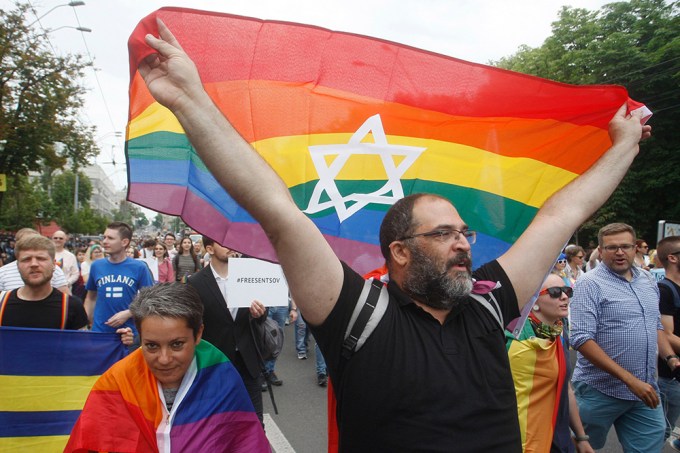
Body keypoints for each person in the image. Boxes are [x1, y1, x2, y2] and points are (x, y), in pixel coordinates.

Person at [139, 21, 651, 450]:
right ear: (400, 251)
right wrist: (189, 100)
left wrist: (624, 146)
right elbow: (276, 209)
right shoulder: (357, 314)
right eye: (445, 233)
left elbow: (561, 215)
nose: (465, 244)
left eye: (465, 232)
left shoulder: (489, 304)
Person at [65, 283, 269, 452]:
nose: (164, 359)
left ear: (198, 334)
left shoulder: (222, 376)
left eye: (177, 344)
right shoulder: (117, 380)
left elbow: (246, 442)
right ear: (140, 337)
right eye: (151, 346)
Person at [570, 223, 678, 452]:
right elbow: (580, 338)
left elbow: (655, 325)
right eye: (612, 247)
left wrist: (670, 358)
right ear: (600, 250)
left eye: (625, 246)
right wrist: (630, 380)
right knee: (579, 448)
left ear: (635, 248)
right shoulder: (590, 284)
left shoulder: (648, 281)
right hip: (598, 390)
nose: (619, 252)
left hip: (644, 392)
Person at [506, 274, 593, 453]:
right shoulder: (513, 339)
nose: (564, 297)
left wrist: (581, 436)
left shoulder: (559, 332)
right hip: (523, 439)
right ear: (534, 300)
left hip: (558, 437)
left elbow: (565, 388)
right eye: (554, 292)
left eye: (566, 291)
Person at [187, 236, 269, 424]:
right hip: (216, 362)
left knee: (255, 423)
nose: (232, 246)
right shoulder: (196, 282)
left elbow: (263, 315)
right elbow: (192, 323)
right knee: (221, 423)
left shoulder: (250, 275)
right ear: (210, 249)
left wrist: (259, 314)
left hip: (248, 360)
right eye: (224, 243)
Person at [0, 234, 87, 330]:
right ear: (17, 265)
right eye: (26, 259)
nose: (34, 264)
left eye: (41, 259)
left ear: (54, 264)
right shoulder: (2, 302)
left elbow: (82, 344)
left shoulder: (72, 306)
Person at [84, 222, 154, 336]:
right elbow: (91, 298)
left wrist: (129, 313)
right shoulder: (96, 266)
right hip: (99, 332)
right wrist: (85, 323)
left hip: (128, 334)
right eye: (104, 237)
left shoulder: (139, 267)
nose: (105, 241)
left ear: (124, 242)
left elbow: (151, 298)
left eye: (110, 238)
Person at [655, 236, 680, 448]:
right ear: (672, 258)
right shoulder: (665, 290)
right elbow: (666, 333)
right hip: (673, 375)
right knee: (661, 431)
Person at [0, 228, 69, 294]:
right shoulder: (3, 272)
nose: (34, 264)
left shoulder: (54, 269)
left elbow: (66, 299)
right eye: (26, 242)